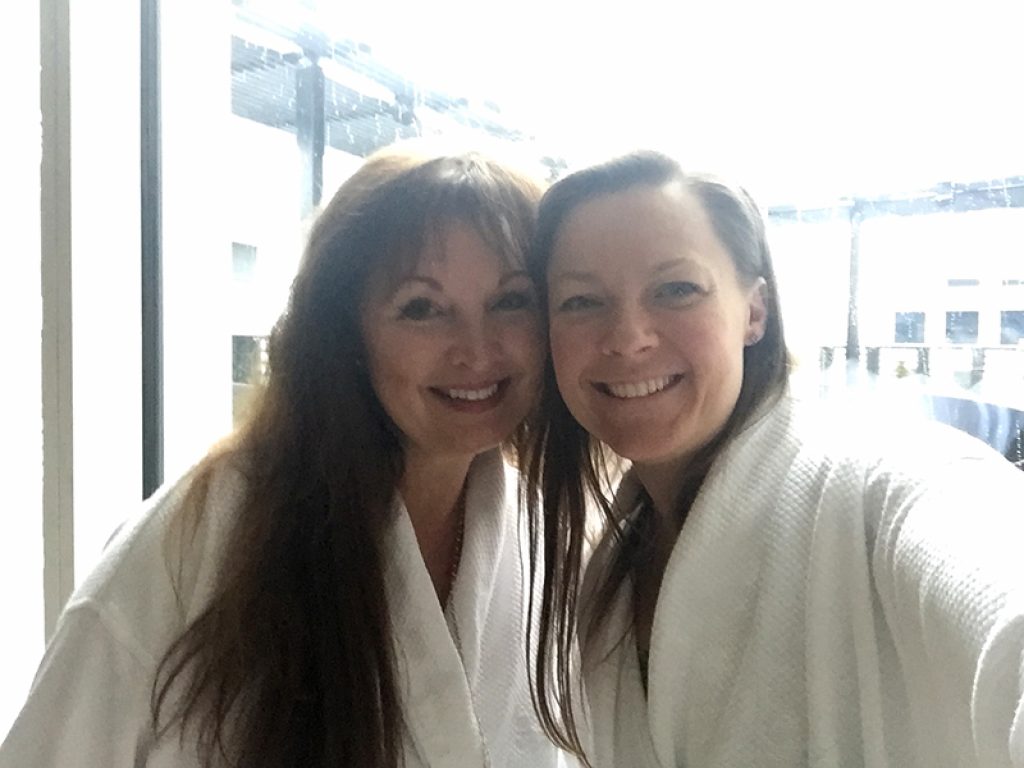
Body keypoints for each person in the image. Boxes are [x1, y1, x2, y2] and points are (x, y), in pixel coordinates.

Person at [1, 144, 562, 768]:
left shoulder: (542, 532)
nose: (477, 350)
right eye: (422, 308)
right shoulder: (199, 534)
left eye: (511, 300)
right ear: (345, 333)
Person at [523, 150, 1024, 768]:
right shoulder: (613, 565)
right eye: (581, 301)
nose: (627, 337)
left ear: (754, 312)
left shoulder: (886, 483)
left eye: (676, 289)